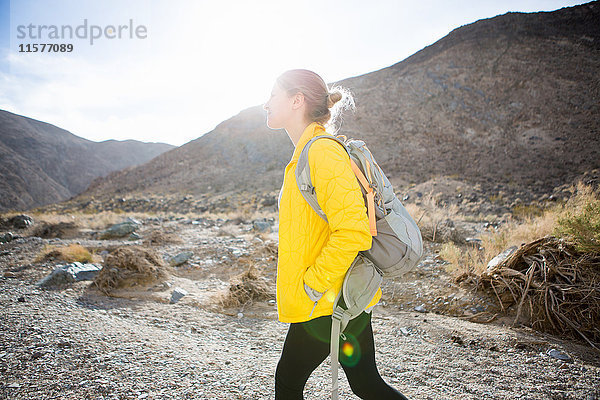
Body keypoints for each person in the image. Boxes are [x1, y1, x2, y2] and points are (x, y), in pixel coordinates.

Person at [263, 69, 409, 400]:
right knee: (367, 384)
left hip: (328, 302)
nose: (266, 103)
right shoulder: (306, 151)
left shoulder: (321, 152)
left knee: (288, 382)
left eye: (273, 94)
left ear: (296, 100)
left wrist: (313, 285)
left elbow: (353, 230)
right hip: (339, 297)